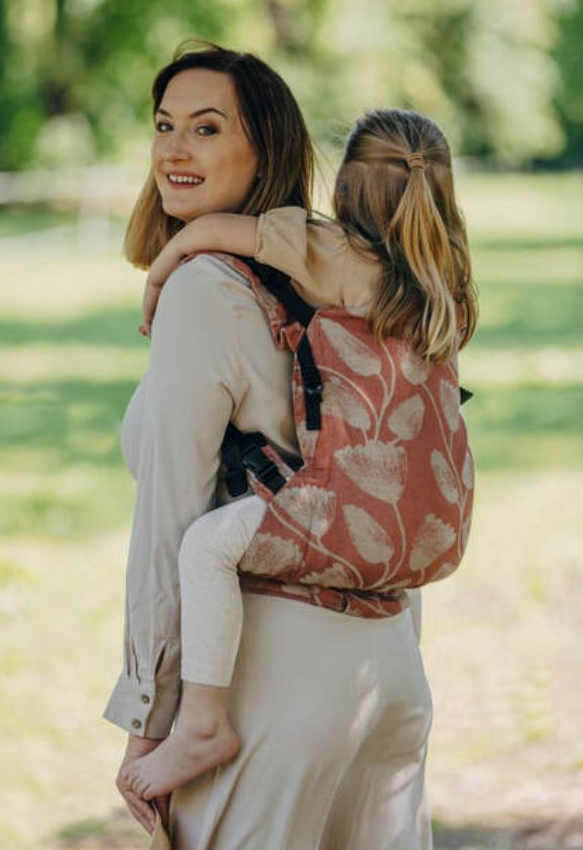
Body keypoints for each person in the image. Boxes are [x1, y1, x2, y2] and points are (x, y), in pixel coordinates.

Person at [105, 44, 451, 848]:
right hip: (389, 672)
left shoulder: (209, 288)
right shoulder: (363, 276)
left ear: (266, 149)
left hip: (266, 684)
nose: (174, 148)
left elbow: (171, 522)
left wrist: (148, 717)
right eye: (163, 125)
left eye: (206, 126)